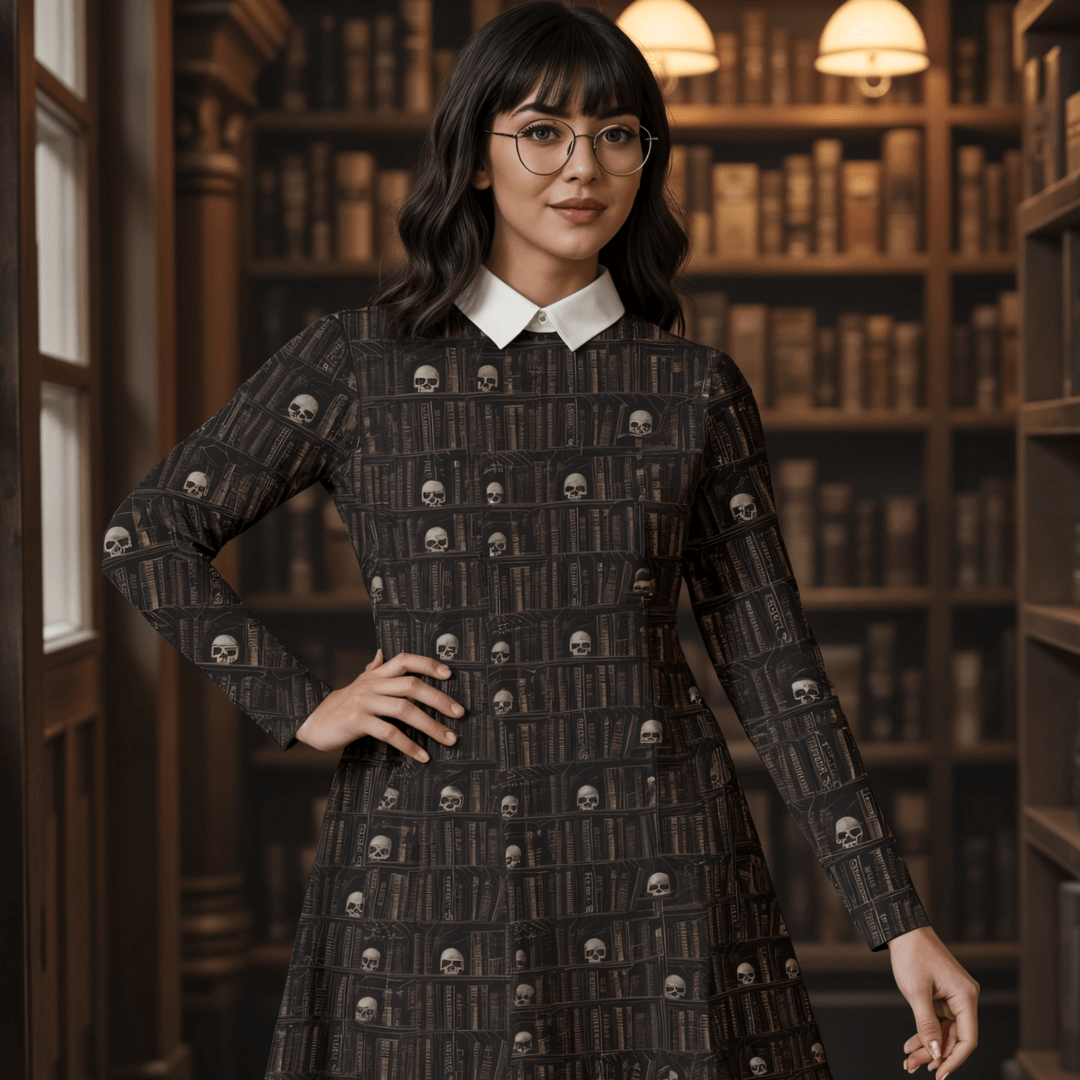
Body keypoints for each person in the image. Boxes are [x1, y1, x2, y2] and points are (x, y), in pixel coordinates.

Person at [102, 3, 979, 1077]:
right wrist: (303, 704)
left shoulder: (690, 387)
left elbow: (775, 665)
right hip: (432, 854)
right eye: (543, 131)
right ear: (477, 154)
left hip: (658, 855)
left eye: (617, 135)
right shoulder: (356, 361)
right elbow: (148, 530)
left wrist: (899, 919)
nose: (583, 167)